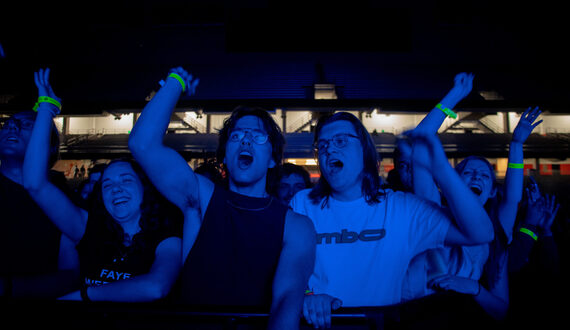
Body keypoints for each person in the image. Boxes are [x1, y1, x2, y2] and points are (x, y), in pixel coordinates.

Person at [128, 67, 315, 329]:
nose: (246, 141)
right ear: (225, 157)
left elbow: (286, 299)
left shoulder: (296, 225)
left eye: (257, 136)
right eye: (236, 136)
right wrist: (175, 82)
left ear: (273, 159)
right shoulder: (201, 198)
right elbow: (142, 144)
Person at [290, 111, 494, 328]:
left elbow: (481, 233)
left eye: (340, 140)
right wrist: (307, 295)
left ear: (365, 151)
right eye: (322, 146)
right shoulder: (302, 204)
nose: (329, 149)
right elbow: (287, 268)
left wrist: (440, 168)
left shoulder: (402, 208)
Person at [23, 68, 183, 302]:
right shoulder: (87, 228)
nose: (116, 188)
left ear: (145, 188)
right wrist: (47, 107)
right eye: (107, 184)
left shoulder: (167, 235)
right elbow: (35, 184)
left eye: (126, 180)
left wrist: (84, 295)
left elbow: (156, 286)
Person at [0, 79, 79, 299]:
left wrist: (9, 288)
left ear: (46, 142)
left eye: (25, 125)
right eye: (7, 123)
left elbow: (71, 274)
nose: (12, 126)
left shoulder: (64, 199)